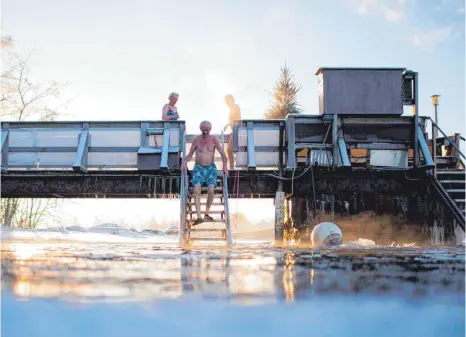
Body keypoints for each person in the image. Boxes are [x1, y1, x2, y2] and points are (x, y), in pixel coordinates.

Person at [180, 121, 229, 225]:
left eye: (207, 130)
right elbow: (189, 155)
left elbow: (223, 154)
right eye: (203, 130)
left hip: (211, 167)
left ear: (210, 130)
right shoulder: (196, 140)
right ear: (201, 130)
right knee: (197, 189)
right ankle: (198, 217)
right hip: (199, 168)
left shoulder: (214, 139)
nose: (205, 132)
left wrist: (225, 166)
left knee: (211, 189)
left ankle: (206, 214)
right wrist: (185, 162)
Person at [223, 94, 241, 169]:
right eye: (226, 101)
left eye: (228, 100)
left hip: (237, 130)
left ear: (232, 99)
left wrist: (227, 124)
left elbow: (237, 119)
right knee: (229, 149)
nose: (227, 102)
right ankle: (231, 167)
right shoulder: (231, 108)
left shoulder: (235, 107)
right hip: (234, 130)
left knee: (229, 149)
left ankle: (232, 168)